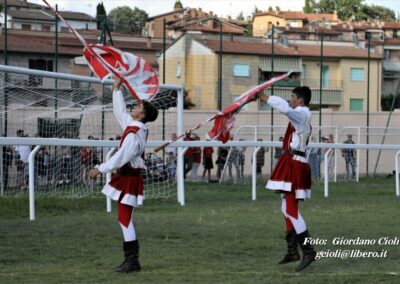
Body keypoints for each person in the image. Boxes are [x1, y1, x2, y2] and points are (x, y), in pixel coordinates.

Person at [88, 77, 159, 273]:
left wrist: (99, 169)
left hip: (129, 177)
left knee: (125, 219)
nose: (134, 107)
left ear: (141, 114)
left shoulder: (134, 133)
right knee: (123, 218)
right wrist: (116, 90)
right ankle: (131, 261)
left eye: (137, 106)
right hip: (129, 177)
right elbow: (120, 112)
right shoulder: (136, 127)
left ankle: (133, 261)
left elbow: (120, 157)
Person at [258, 86, 317, 272]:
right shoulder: (300, 114)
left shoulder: (301, 114)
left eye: (292, 97)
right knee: (286, 208)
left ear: (300, 100)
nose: (290, 99)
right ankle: (293, 251)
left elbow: (284, 107)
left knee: (291, 210)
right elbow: (287, 108)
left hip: (295, 164)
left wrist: (264, 97)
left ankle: (309, 251)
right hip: (291, 161)